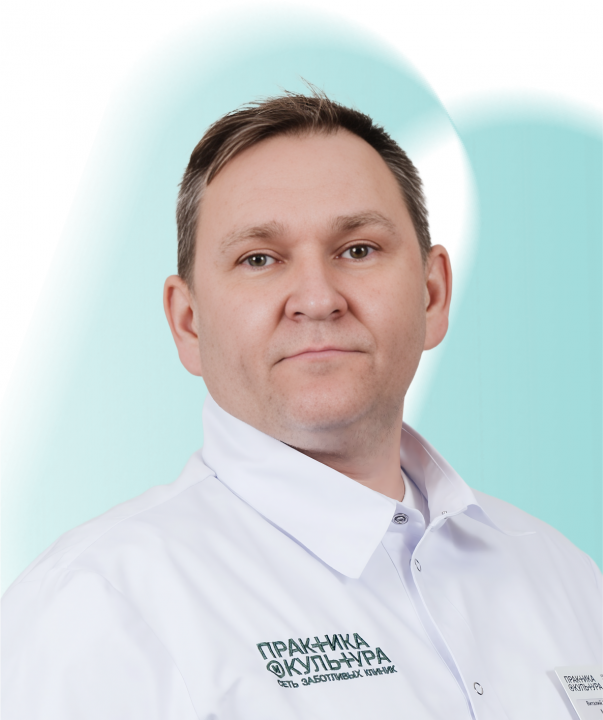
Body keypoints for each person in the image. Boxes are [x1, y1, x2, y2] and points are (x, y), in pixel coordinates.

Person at [0, 91, 602, 720]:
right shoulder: (96, 608)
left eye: (358, 249)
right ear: (188, 323)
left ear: (432, 294)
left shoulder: (564, 575)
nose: (317, 299)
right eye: (259, 259)